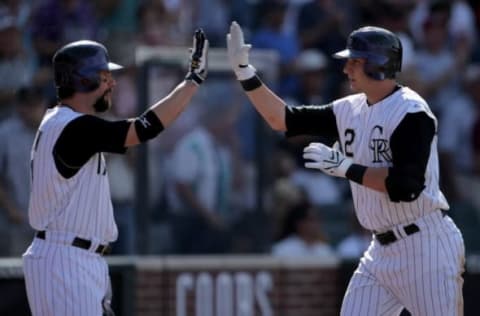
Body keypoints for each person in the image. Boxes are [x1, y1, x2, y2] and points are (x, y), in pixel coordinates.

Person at [226, 21, 465, 315]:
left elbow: (406, 187)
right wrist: (245, 74)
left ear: (377, 64)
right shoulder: (349, 108)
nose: (346, 68)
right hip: (380, 250)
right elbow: (283, 119)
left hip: (426, 246)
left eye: (354, 61)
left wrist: (347, 168)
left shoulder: (412, 112)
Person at [22, 29, 208, 316]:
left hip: (75, 257)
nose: (112, 83)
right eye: (105, 76)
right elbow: (144, 128)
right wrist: (192, 81)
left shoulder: (66, 122)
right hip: (65, 259)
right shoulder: (74, 126)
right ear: (83, 79)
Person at [271, 201, 335, 258]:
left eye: (318, 219)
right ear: (299, 223)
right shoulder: (282, 249)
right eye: (311, 220)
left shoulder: (324, 250)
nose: (316, 224)